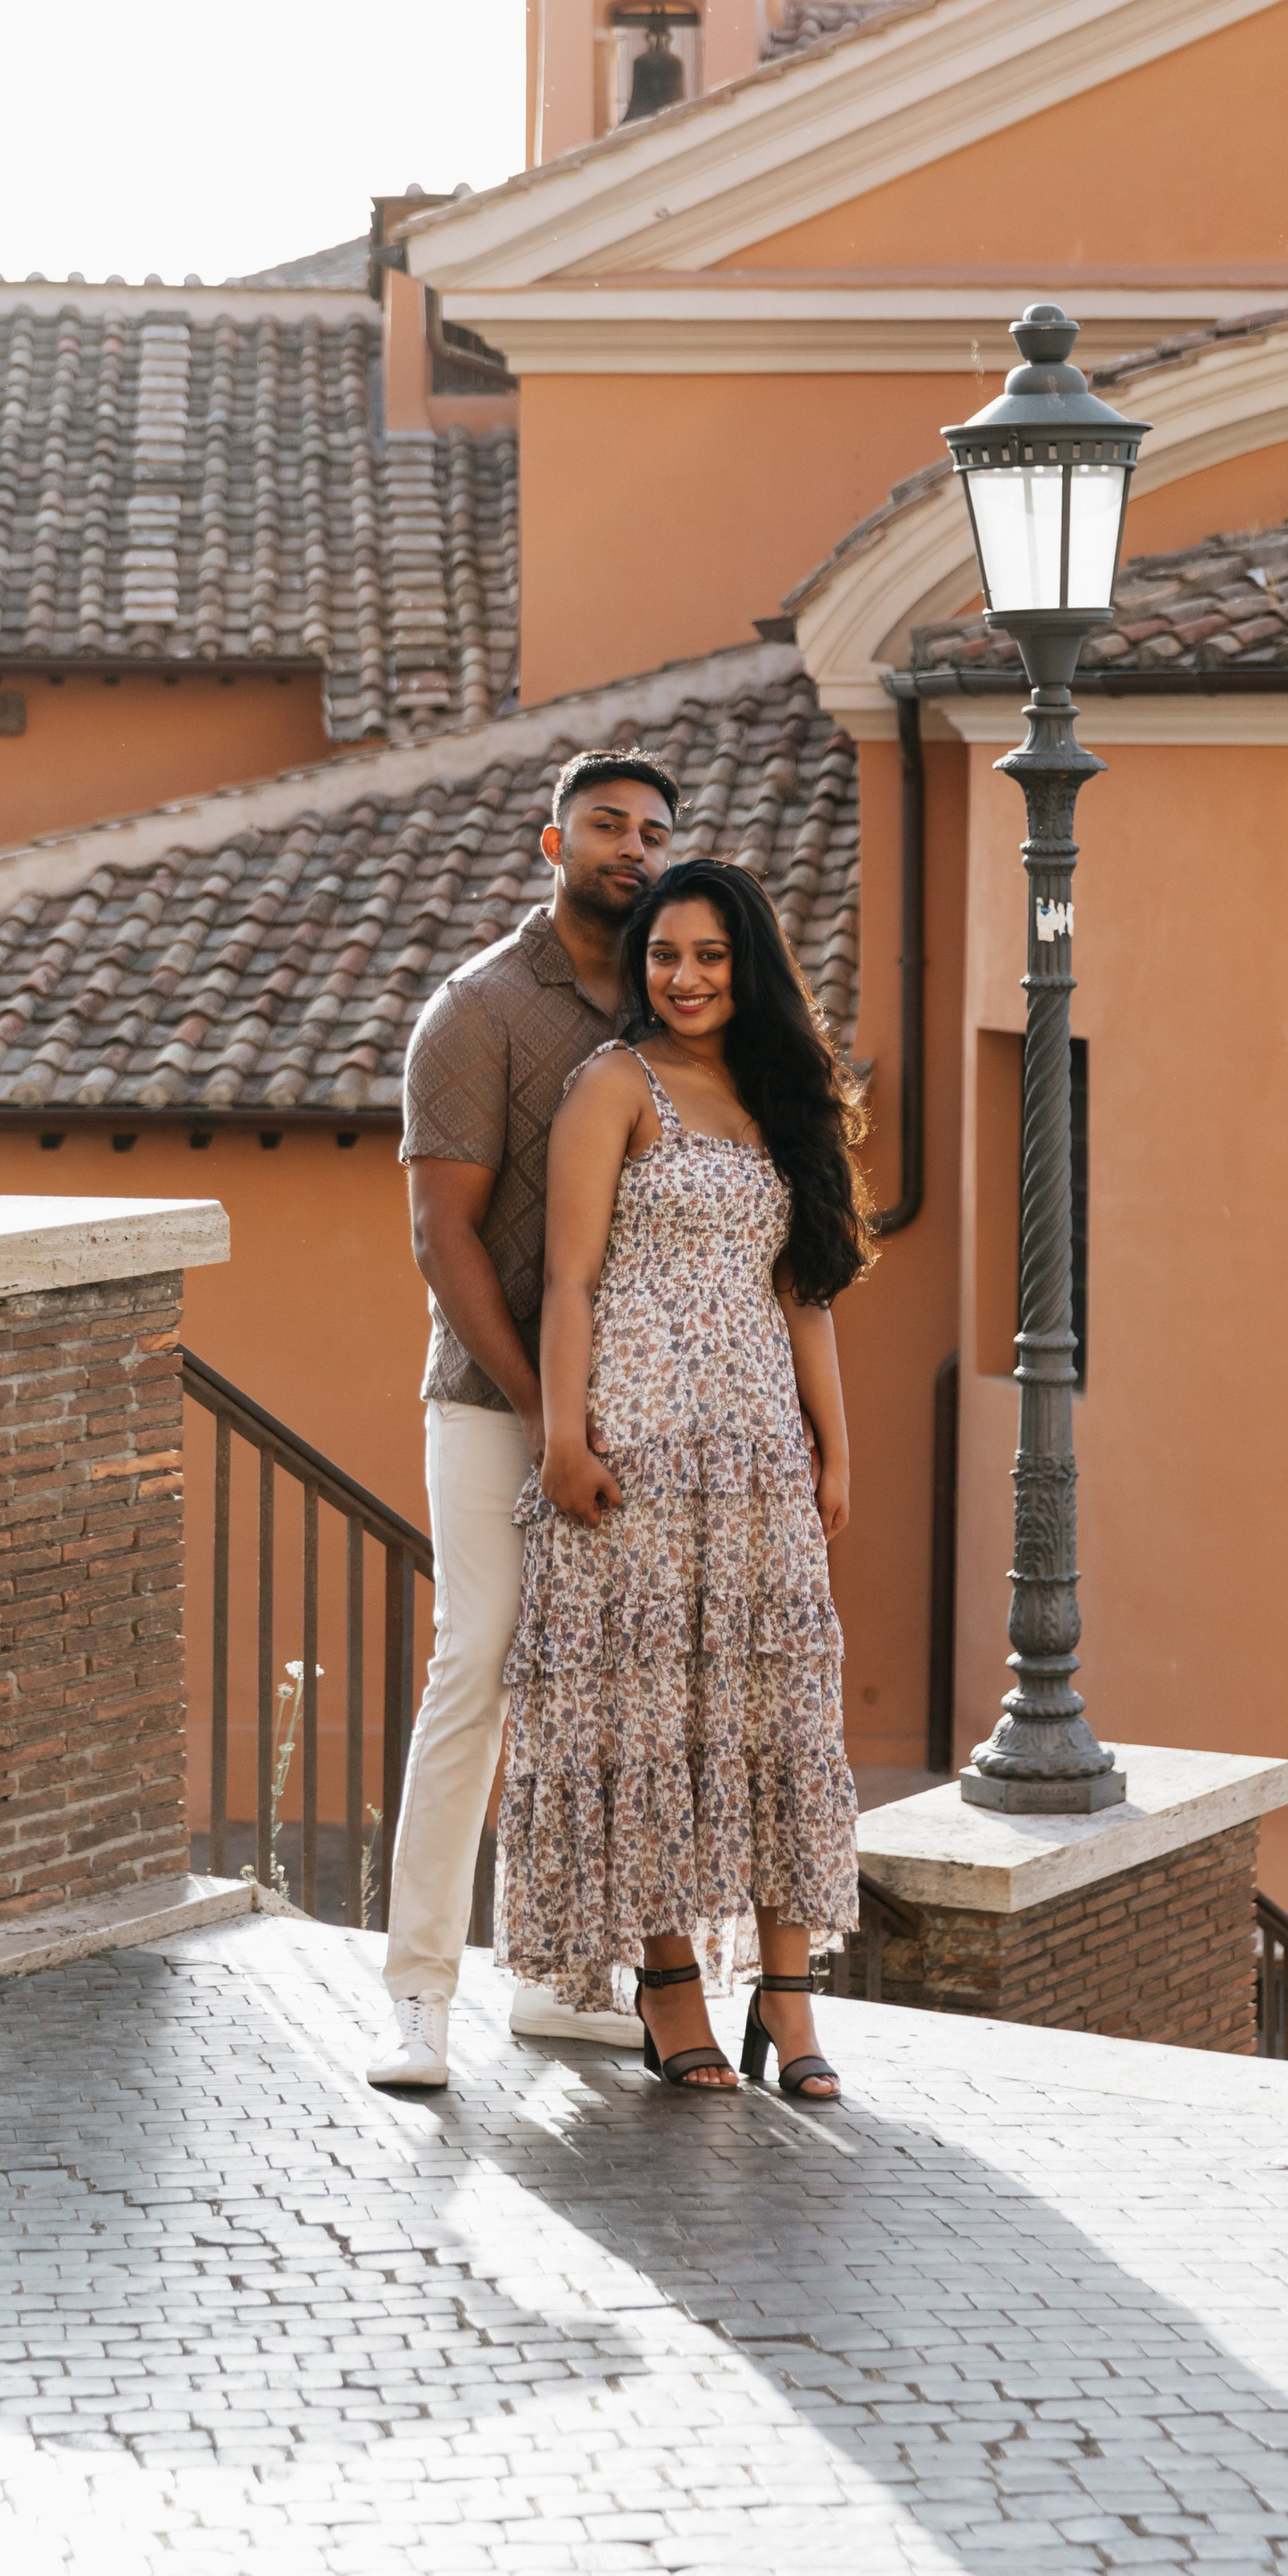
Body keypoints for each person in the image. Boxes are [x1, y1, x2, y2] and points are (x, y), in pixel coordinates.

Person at [493, 856, 868, 2099]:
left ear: (748, 964)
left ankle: (790, 1998)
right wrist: (563, 1439)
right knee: (643, 1717)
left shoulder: (783, 1097)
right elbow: (569, 1279)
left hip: (759, 1454)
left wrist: (835, 1447)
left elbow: (805, 1293)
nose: (686, 977)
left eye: (710, 955)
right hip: (641, 1444)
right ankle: (669, 1990)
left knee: (778, 1716)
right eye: (664, 955)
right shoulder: (615, 1084)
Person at [370, 748, 679, 2092]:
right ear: (553, 846)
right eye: (607, 826)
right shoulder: (478, 1009)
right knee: (480, 1661)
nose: (633, 849)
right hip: (492, 1399)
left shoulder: (679, 1005)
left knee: (611, 1683)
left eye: (653, 833)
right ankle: (417, 1994)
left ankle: (559, 1981)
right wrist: (549, 1412)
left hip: (645, 1411)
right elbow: (442, 1239)